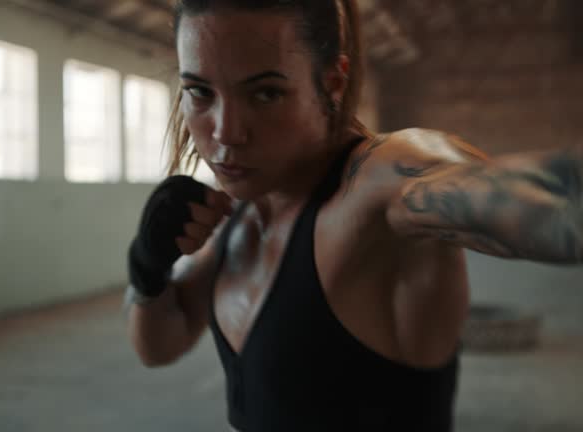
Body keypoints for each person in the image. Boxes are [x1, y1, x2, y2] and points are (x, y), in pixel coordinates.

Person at [124, 0, 583, 430]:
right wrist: (147, 266)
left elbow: (536, 197)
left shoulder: (375, 185)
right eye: (199, 92)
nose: (226, 132)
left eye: (265, 93)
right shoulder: (240, 214)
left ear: (333, 82)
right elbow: (159, 344)